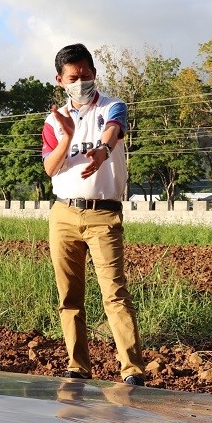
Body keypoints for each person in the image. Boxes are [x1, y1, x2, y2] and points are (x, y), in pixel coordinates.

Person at [42, 43, 146, 386]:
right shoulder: (53, 121)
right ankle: (77, 366)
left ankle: (132, 371)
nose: (81, 80)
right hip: (63, 215)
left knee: (114, 294)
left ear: (94, 73)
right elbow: (50, 168)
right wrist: (66, 138)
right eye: (74, 76)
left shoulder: (112, 106)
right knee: (68, 296)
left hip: (103, 214)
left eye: (86, 73)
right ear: (60, 80)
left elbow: (113, 131)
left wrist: (102, 150)